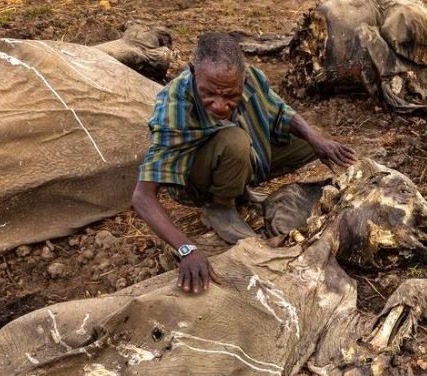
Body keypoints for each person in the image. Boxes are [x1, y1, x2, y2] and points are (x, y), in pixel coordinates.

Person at [132, 32, 356, 294]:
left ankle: (239, 189)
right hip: (196, 180)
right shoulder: (173, 109)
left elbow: (280, 112)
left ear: (244, 79)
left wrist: (318, 141)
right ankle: (220, 208)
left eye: (230, 95)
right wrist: (186, 248)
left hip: (242, 156)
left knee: (308, 138)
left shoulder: (252, 79)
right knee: (234, 140)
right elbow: (142, 196)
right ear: (193, 72)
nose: (220, 105)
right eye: (209, 94)